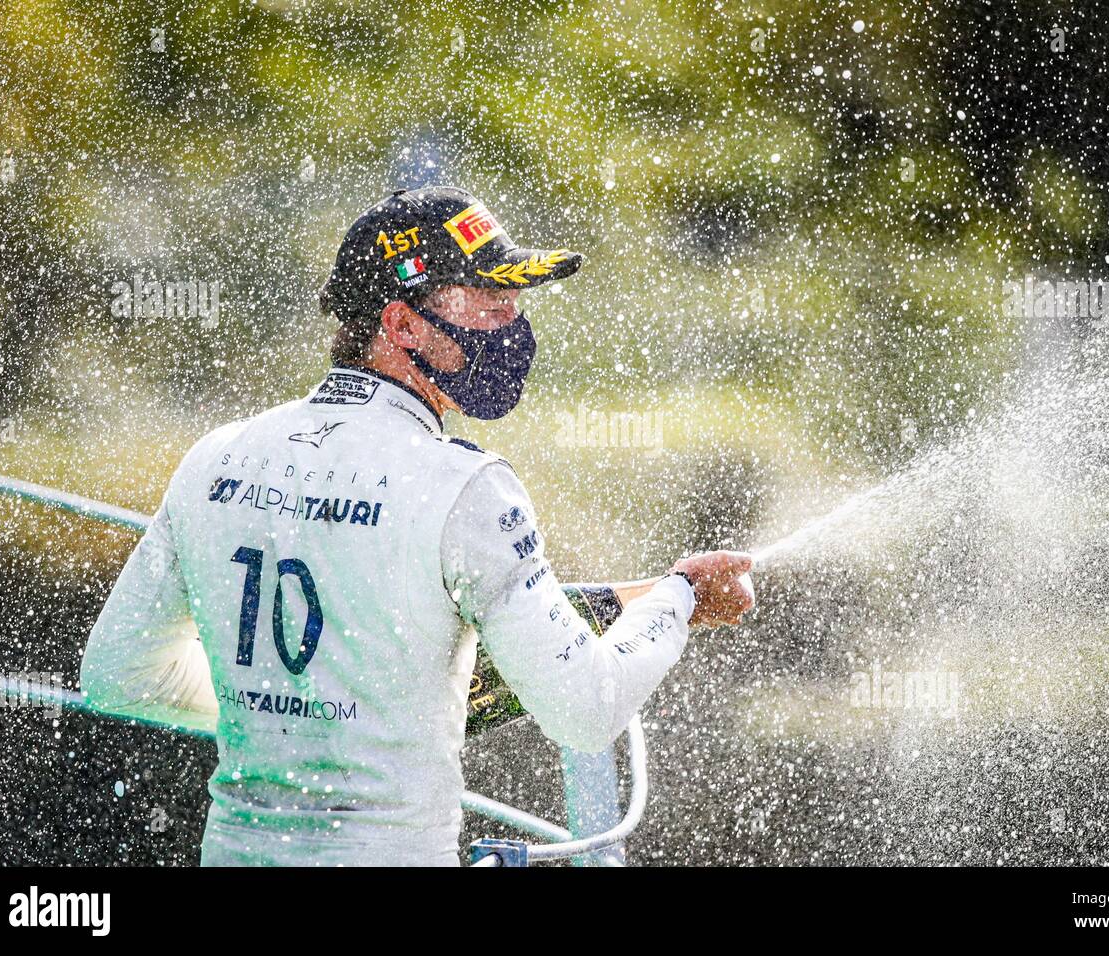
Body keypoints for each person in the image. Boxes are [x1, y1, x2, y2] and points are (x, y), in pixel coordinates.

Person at [80, 185, 755, 866]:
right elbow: (585, 709)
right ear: (401, 326)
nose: (514, 328)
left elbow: (117, 673)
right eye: (493, 308)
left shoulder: (216, 457)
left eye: (515, 306)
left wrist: (288, 708)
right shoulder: (465, 487)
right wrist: (680, 598)